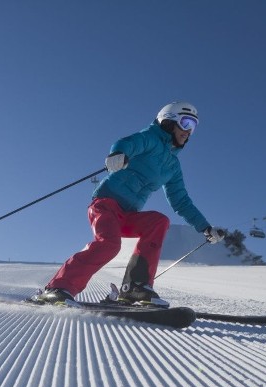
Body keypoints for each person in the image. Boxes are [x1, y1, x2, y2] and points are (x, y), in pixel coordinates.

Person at [33, 101, 225, 306]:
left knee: (159, 221)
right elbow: (128, 143)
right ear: (169, 120)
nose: (189, 131)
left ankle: (135, 287)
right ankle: (57, 288)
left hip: (128, 215)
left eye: (193, 127)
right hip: (105, 204)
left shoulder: (173, 166)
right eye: (186, 123)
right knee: (109, 244)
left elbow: (181, 200)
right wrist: (118, 155)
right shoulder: (151, 137)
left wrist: (205, 227)